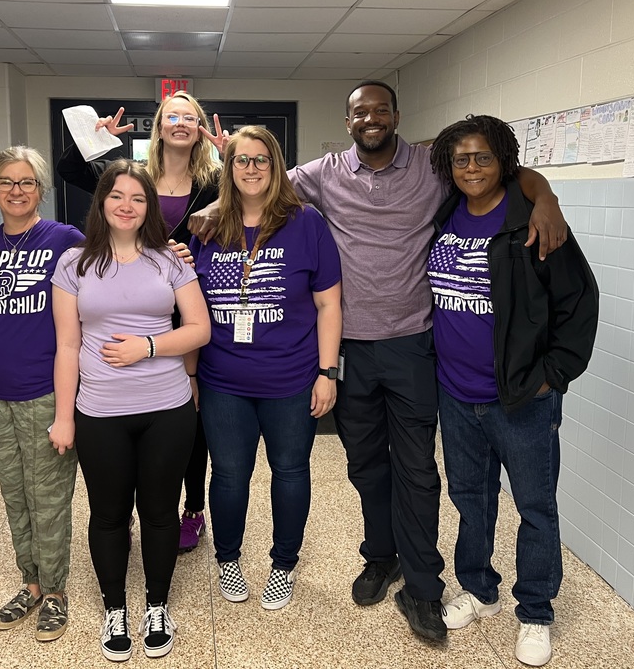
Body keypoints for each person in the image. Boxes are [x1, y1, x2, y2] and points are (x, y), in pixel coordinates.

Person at [190, 80, 569, 642]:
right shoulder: (323, 173)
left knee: (416, 468)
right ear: (347, 122)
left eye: (380, 110)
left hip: (413, 343)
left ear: (395, 115)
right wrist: (215, 200)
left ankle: (422, 585)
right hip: (349, 349)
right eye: (359, 112)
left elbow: (506, 174)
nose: (370, 119)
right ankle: (381, 555)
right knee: (365, 464)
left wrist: (547, 198)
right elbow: (259, 189)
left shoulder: (432, 166)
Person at [426, 115, 598, 666]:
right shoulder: (445, 212)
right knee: (470, 499)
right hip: (455, 394)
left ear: (503, 161)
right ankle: (479, 589)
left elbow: (578, 303)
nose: (471, 168)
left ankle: (536, 612)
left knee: (535, 507)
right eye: (461, 159)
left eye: (482, 157)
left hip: (521, 398)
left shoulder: (532, 221)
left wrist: (554, 374)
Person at [51, 160, 210, 662]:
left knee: (160, 513)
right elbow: (67, 347)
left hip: (166, 408)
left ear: (149, 208)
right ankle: (115, 609)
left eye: (138, 198)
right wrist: (63, 416)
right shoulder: (73, 264)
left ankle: (157, 607)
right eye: (117, 196)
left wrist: (147, 346)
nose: (126, 205)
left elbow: (199, 328)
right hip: (99, 411)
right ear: (101, 202)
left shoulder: (170, 261)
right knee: (109, 515)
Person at [57, 92, 222, 554]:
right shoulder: (136, 178)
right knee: (130, 415)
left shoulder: (214, 181)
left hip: (189, 302)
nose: (182, 123)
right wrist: (94, 139)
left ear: (200, 127)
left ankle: (191, 509)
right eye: (174, 116)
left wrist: (231, 160)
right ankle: (123, 512)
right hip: (128, 300)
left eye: (191, 117)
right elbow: (71, 171)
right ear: (161, 126)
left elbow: (258, 193)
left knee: (188, 415)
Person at [190, 126, 342, 611]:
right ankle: (229, 559)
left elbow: (329, 305)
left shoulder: (307, 223)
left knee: (290, 471)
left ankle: (283, 564)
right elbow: (184, 298)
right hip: (223, 380)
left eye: (261, 160)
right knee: (230, 474)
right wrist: (191, 375)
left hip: (292, 379)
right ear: (227, 169)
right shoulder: (207, 227)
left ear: (276, 167)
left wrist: (327, 372)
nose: (251, 169)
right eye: (241, 160)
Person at [0, 147, 83, 641]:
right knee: (15, 497)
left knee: (50, 496)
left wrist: (66, 410)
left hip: (44, 392)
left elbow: (115, 269)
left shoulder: (65, 239)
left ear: (41, 189)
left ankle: (55, 592)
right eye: (6, 182)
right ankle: (30, 583)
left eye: (26, 182)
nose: (16, 190)